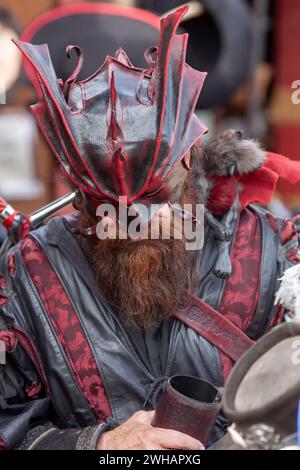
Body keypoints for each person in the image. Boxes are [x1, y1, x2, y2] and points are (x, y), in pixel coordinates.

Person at [0, 6, 299, 450]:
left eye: (156, 199)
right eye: (109, 208)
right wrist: (97, 446)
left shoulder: (274, 255)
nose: (134, 222)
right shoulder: (27, 274)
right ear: (79, 196)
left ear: (185, 160)